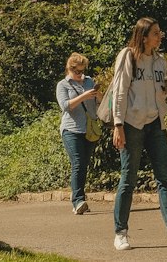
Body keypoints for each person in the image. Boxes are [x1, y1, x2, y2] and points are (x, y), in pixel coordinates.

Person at [110, 17, 167, 252]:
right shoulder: (128, 56)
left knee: (164, 178)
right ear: (144, 35)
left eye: (160, 33)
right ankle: (121, 232)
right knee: (128, 179)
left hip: (156, 123)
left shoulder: (160, 61)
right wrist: (118, 125)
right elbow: (119, 91)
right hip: (131, 124)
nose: (160, 37)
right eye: (156, 33)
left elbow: (159, 93)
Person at [56, 52, 100, 216]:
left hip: (88, 129)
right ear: (70, 69)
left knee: (84, 164)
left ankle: (78, 197)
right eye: (78, 72)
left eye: (83, 71)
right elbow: (65, 106)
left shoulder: (89, 81)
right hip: (71, 129)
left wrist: (98, 95)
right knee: (78, 162)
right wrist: (83, 96)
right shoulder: (62, 85)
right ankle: (78, 201)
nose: (81, 75)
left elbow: (98, 102)